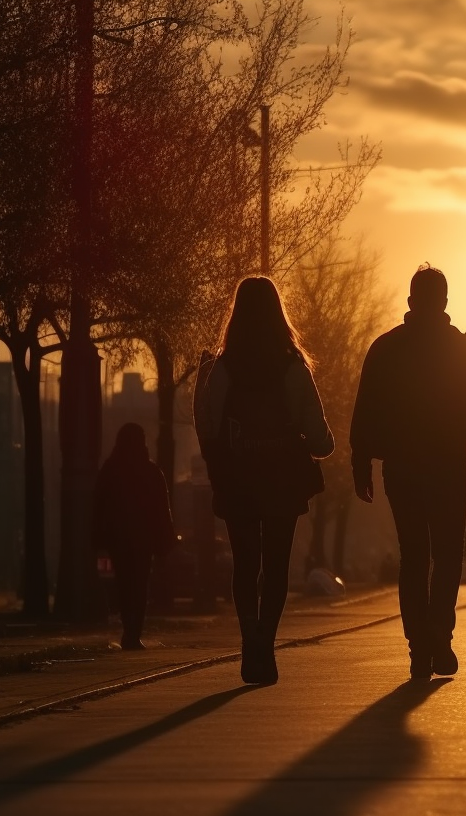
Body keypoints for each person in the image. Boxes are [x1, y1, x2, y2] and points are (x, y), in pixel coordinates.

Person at [351, 263, 466, 680]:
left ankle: (420, 646)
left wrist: (361, 462)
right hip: (448, 467)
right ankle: (438, 635)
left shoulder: (385, 348)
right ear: (445, 302)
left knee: (414, 556)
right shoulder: (462, 349)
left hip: (403, 468)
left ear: (411, 301)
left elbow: (364, 412)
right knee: (448, 554)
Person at [195, 276, 335, 684]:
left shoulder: (223, 368)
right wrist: (317, 444)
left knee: (244, 563)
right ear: (278, 313)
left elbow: (207, 425)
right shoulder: (293, 366)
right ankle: (266, 644)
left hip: (237, 478)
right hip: (281, 480)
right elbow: (319, 432)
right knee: (275, 565)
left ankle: (247, 640)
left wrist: (221, 459)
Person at [93, 423, 174, 651]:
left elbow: (98, 507)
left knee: (122, 583)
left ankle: (128, 628)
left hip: (117, 541)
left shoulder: (109, 470)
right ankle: (133, 632)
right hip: (143, 542)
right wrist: (165, 541)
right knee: (139, 585)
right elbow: (161, 509)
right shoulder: (151, 472)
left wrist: (98, 539)